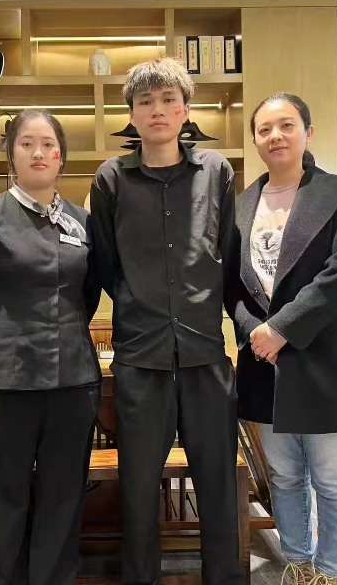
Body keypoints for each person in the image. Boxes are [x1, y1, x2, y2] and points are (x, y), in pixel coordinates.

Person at [225, 92, 337, 585]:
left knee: (333, 478)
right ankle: (297, 561)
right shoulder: (241, 206)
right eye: (264, 129)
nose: (275, 136)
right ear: (255, 139)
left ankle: (329, 571)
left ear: (308, 132)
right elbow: (230, 286)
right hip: (265, 359)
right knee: (283, 475)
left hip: (328, 355)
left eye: (286, 125)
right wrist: (255, 331)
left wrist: (281, 328)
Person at [90, 57, 242, 585]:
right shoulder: (111, 178)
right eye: (145, 101)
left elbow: (228, 254)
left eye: (168, 100)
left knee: (217, 483)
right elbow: (104, 263)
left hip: (206, 354)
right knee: (137, 486)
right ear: (131, 113)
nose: (157, 110)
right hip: (140, 358)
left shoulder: (217, 171)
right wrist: (138, 300)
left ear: (185, 109)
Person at [0, 109, 102, 585]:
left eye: (49, 145)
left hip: (74, 380)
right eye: (27, 143)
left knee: (63, 496)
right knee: (4, 497)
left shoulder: (81, 221)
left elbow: (88, 294)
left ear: (61, 157)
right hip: (7, 381)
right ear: (11, 154)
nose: (39, 152)